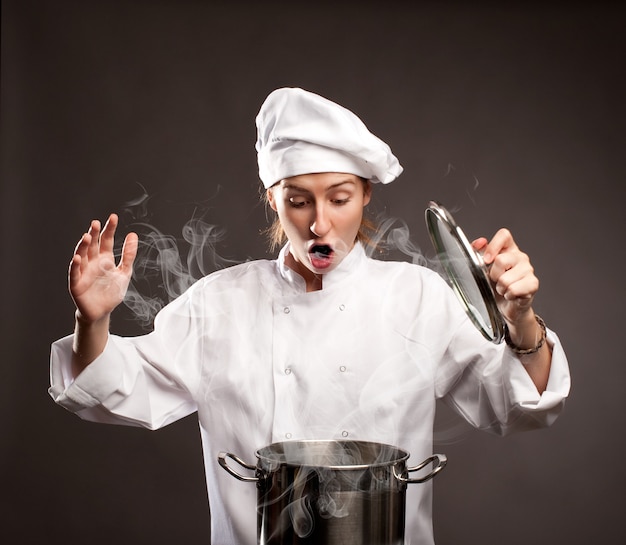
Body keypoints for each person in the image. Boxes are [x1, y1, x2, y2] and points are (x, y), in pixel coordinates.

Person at [49, 87, 570, 545]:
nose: (320, 223)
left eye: (339, 198)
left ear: (366, 194)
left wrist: (520, 318)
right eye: (298, 200)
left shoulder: (419, 297)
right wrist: (92, 321)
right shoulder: (219, 303)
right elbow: (114, 390)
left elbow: (519, 407)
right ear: (272, 198)